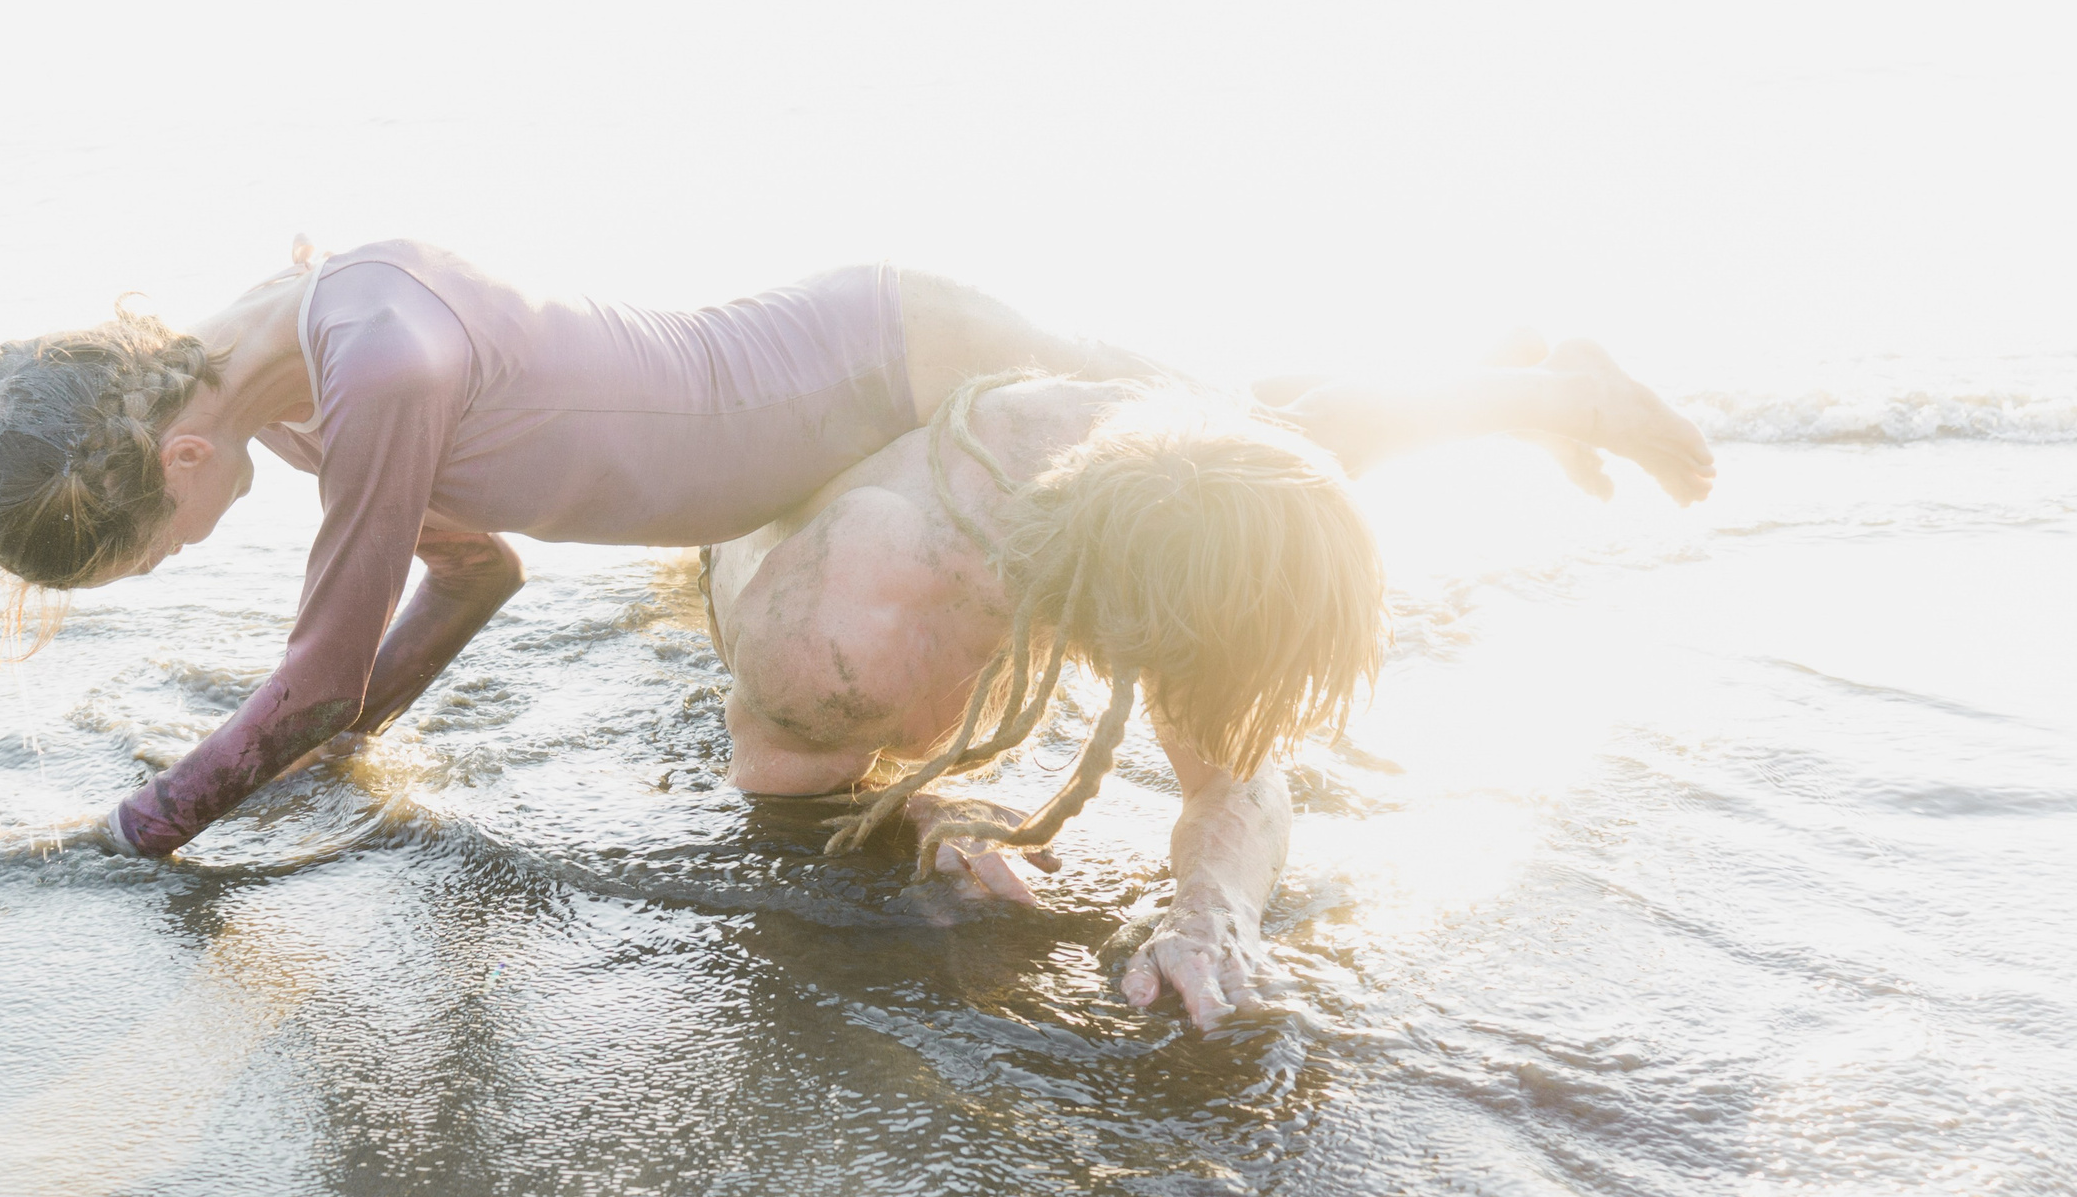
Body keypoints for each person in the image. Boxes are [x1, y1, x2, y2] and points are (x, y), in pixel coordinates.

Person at [0, 239, 1173, 856]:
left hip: (894, 356)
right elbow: (479, 572)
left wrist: (132, 833)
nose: (178, 560)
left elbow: (315, 679)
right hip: (832, 388)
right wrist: (334, 756)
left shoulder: (376, 366)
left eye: (151, 556)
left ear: (176, 463)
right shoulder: (292, 391)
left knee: (1246, 445)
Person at [701, 338, 1715, 1028]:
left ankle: (1541, 388)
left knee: (1306, 439)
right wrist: (922, 808)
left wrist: (1212, 911)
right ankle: (1529, 390)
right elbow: (787, 803)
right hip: (842, 397)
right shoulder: (852, 625)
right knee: (893, 732)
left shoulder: (1188, 461)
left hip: (1116, 443)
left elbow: (1237, 774)